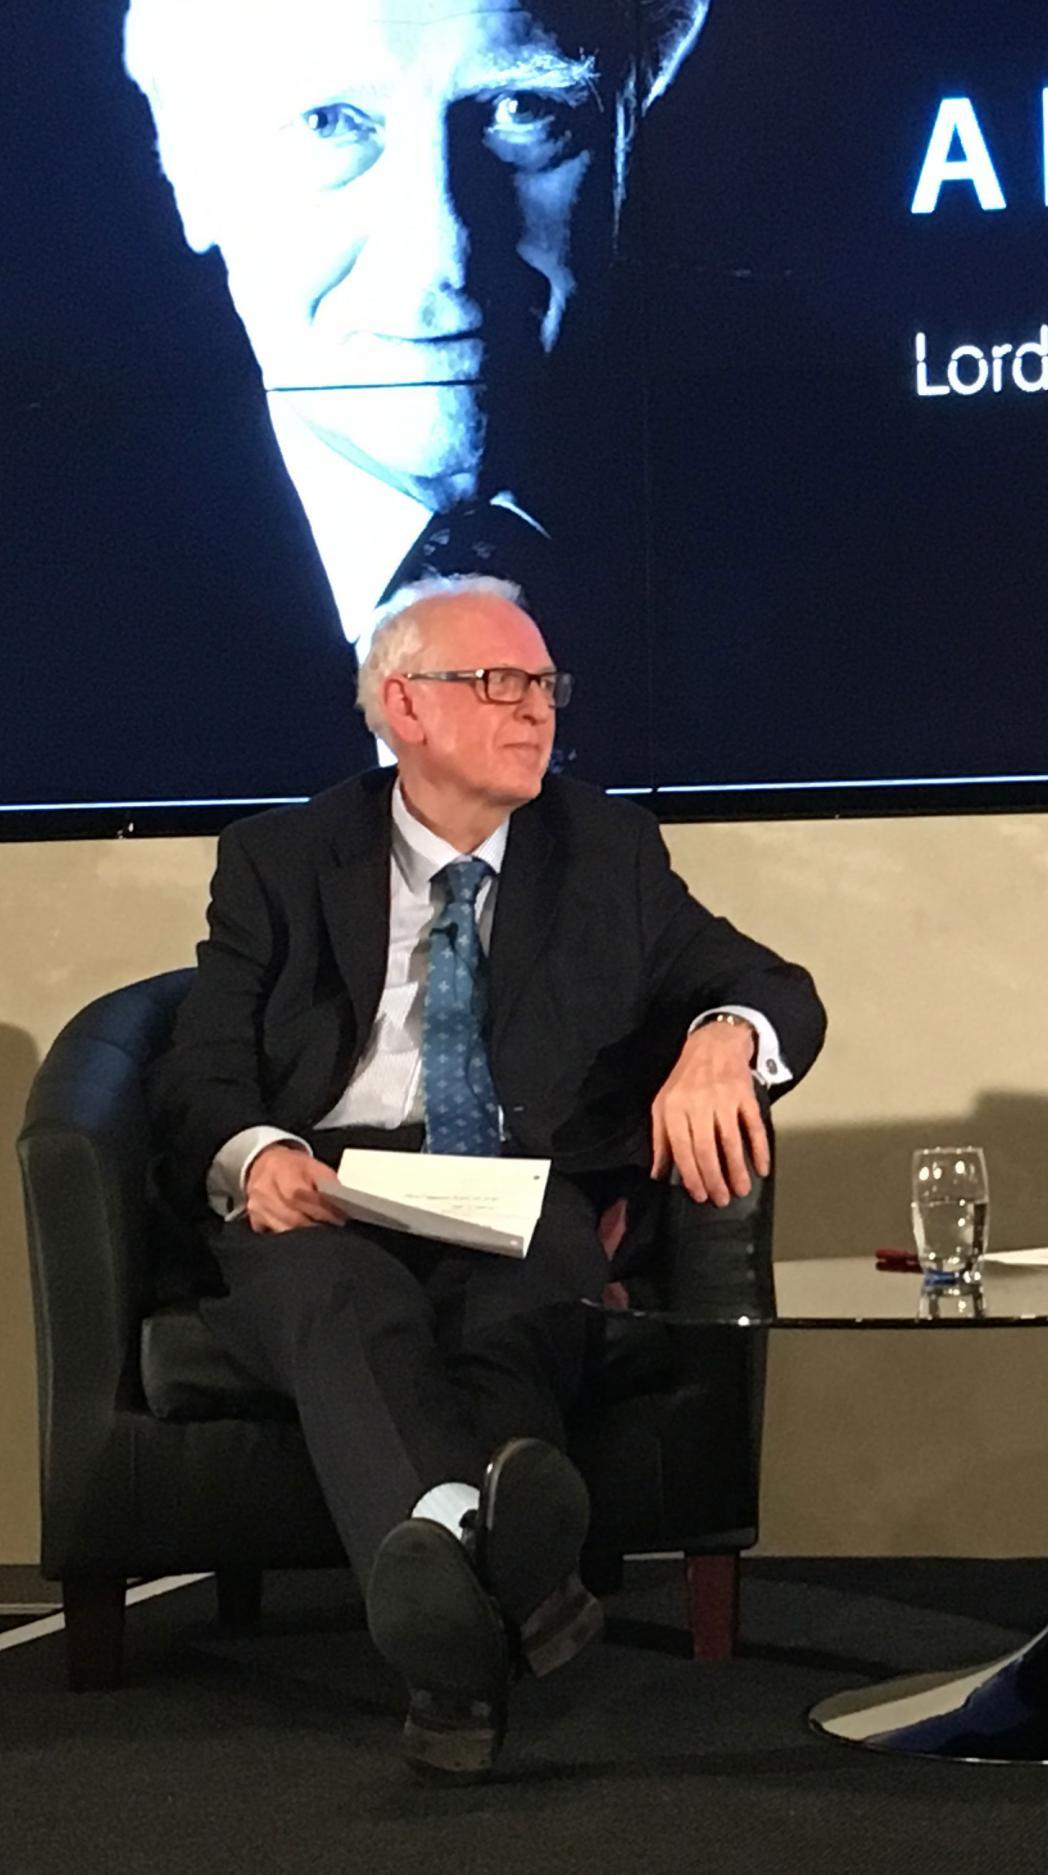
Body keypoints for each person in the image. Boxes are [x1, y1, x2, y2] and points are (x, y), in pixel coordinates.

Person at [150, 572, 823, 1781]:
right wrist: (258, 1156)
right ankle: (508, 1566)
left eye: (545, 685)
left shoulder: (605, 851)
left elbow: (775, 986)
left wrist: (722, 1038)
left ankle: (449, 1634)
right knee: (347, 1303)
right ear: (404, 707)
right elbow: (199, 1067)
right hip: (326, 1196)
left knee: (515, 1308)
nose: (537, 710)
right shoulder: (280, 859)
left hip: (518, 1190)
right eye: (499, 682)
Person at [111, 0, 710, 773]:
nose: (444, 254)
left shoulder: (826, 581)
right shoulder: (50, 629)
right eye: (329, 122)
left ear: (632, 132)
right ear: (189, 166)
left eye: (523, 109)